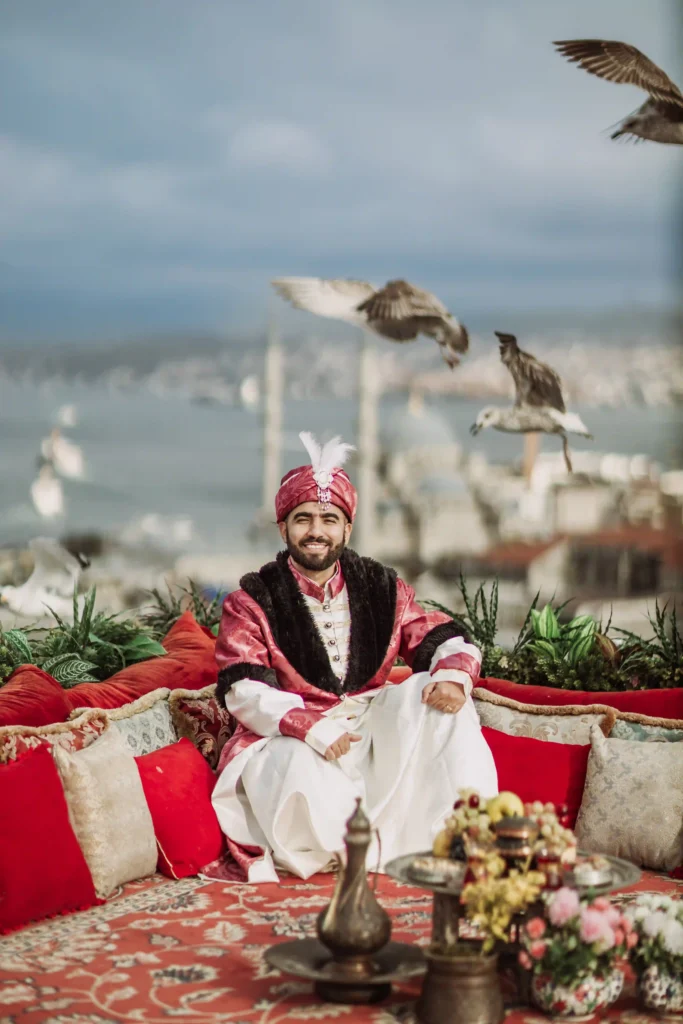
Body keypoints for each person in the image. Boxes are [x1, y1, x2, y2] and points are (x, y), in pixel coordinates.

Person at [212, 432, 497, 882]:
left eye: (329, 518)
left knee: (437, 698)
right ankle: (349, 852)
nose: (316, 531)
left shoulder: (380, 587)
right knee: (292, 764)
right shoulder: (251, 600)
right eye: (303, 519)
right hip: (295, 732)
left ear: (347, 527)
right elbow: (244, 689)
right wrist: (310, 727)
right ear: (283, 527)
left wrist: (452, 675)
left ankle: (467, 834)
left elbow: (438, 634)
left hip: (371, 727)